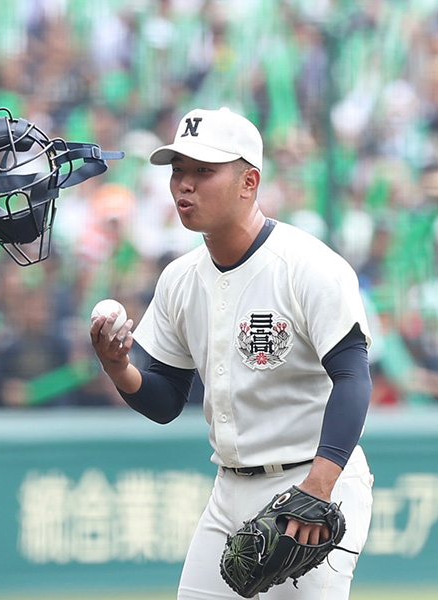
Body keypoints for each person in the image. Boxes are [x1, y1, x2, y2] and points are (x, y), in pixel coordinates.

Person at [90, 107, 374, 600]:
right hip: (228, 491)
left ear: (249, 182)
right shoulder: (180, 278)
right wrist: (120, 369)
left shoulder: (306, 266)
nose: (184, 185)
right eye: (178, 170)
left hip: (312, 480)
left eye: (204, 171)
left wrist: (320, 486)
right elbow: (165, 400)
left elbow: (353, 377)